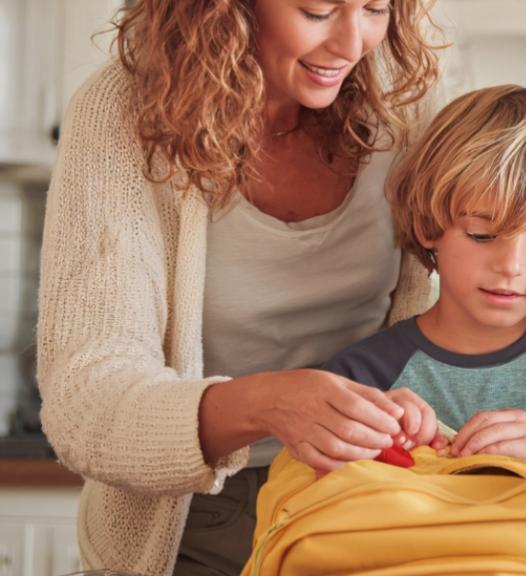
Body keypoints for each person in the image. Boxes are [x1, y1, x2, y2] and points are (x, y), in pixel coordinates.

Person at [36, 1, 440, 574]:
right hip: (189, 525)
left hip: (367, 502)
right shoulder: (123, 113)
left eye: (376, 7)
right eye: (318, 9)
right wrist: (269, 403)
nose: (354, 43)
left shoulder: (405, 108)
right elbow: (85, 403)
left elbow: (441, 319)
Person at [319, 85, 526, 531]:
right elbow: (322, 525)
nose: (511, 266)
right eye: (482, 235)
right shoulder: (361, 377)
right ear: (428, 226)